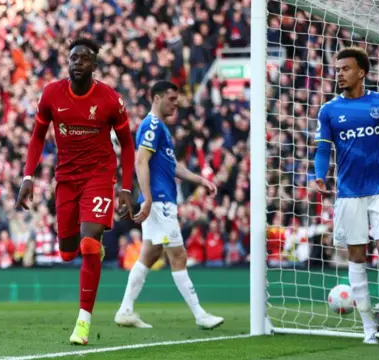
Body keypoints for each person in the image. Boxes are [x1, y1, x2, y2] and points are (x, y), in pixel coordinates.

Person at [16, 37, 135, 345]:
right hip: (66, 179)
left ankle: (82, 323)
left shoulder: (110, 99)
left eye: (84, 58)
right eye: (73, 58)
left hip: (99, 176)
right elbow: (37, 137)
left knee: (89, 246)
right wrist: (27, 176)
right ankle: (90, 243)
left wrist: (124, 186)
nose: (77, 62)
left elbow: (126, 145)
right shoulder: (51, 94)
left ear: (94, 66)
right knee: (68, 253)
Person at [114, 80, 224, 329]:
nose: (177, 104)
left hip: (161, 200)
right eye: (171, 99)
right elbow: (141, 162)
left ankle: (125, 310)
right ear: (156, 98)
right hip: (160, 201)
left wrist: (200, 180)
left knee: (150, 255)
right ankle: (200, 315)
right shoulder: (152, 125)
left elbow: (171, 167)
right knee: (179, 256)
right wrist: (149, 197)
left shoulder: (160, 128)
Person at [313, 47, 379, 345]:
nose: (339, 73)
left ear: (361, 72)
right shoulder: (328, 110)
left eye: (345, 69)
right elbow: (323, 149)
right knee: (356, 256)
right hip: (349, 193)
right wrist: (318, 174)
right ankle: (368, 327)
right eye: (337, 69)